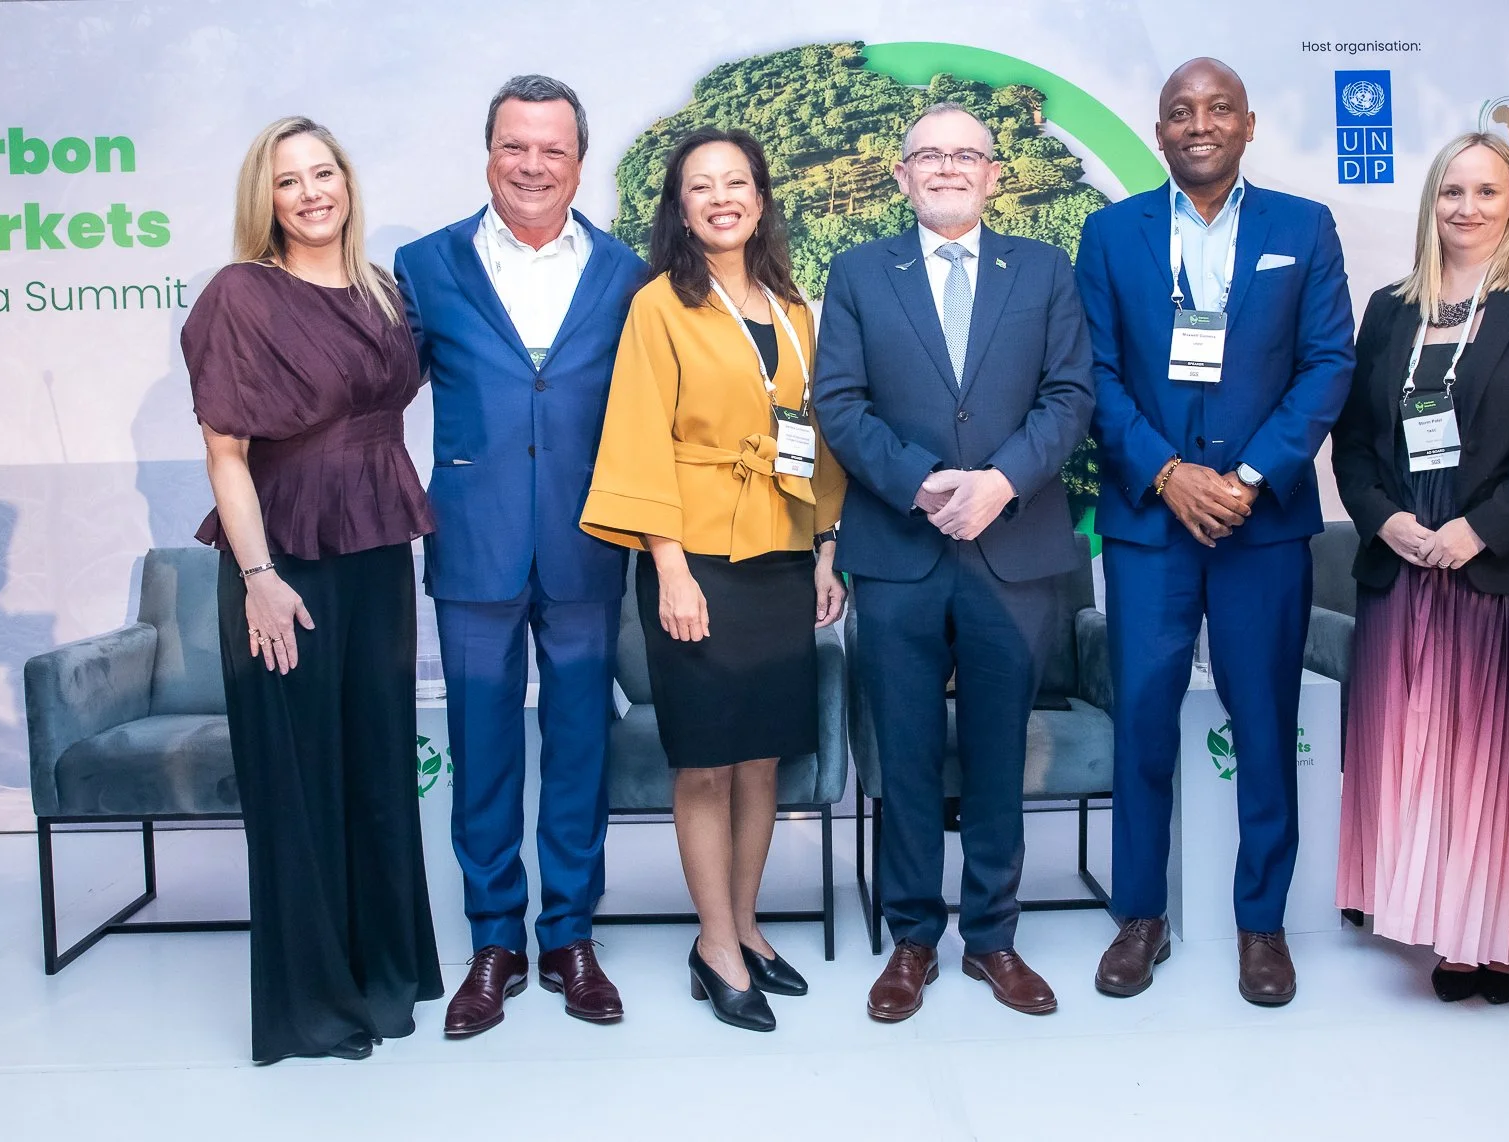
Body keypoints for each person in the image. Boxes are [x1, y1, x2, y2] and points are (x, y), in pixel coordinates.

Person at [1075, 58, 1354, 1007]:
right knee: (1142, 722)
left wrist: (1243, 476)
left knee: (1266, 724)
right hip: (1152, 523)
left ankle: (1263, 925)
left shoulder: (1303, 227)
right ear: (1158, 133)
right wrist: (1166, 472)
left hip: (1260, 523)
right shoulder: (1111, 233)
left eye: (1217, 108)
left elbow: (1326, 366)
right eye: (1180, 112)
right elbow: (1095, 375)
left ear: (1246, 125)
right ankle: (1140, 918)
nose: (1199, 124)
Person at [814, 102, 1095, 1023]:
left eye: (964, 155)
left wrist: (1001, 483)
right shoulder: (858, 273)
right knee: (901, 749)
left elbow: (1069, 397)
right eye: (927, 156)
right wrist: (927, 482)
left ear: (993, 174)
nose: (945, 168)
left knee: (994, 748)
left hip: (1012, 549)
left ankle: (993, 938)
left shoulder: (1046, 271)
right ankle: (910, 940)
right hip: (899, 547)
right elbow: (840, 403)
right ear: (901, 176)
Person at [1331, 132, 1509, 1001]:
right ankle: (1448, 934)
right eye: (1452, 191)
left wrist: (1481, 530)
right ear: (1431, 202)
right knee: (1431, 761)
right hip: (1410, 575)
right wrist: (1385, 523)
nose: (1467, 208)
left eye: (1486, 192)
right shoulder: (1389, 308)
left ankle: (1508, 939)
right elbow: (1351, 444)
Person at [393, 75, 647, 1035]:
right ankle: (494, 940)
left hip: (588, 546)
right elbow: (371, 400)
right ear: (487, 152)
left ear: (580, 160)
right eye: (514, 146)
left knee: (580, 749)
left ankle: (571, 937)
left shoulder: (627, 273)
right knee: (483, 752)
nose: (532, 165)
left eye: (552, 149)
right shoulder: (424, 266)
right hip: (472, 547)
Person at [185, 116, 440, 1064]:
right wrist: (257, 577)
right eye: (288, 181)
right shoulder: (241, 295)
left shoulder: (382, 289)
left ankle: (384, 976)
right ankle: (315, 1006)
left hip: (376, 548)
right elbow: (225, 452)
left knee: (376, 768)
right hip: (283, 555)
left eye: (322, 173)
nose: (310, 193)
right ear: (267, 199)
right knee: (301, 782)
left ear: (347, 182)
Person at [580, 127, 846, 1033]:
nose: (722, 197)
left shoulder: (793, 306)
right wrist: (667, 569)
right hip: (694, 556)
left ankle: (746, 927)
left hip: (778, 551)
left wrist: (823, 553)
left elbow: (816, 436)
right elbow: (639, 434)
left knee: (763, 754)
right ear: (681, 207)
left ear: (762, 199)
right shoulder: (659, 305)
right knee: (703, 761)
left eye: (738, 182)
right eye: (702, 185)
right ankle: (715, 943)